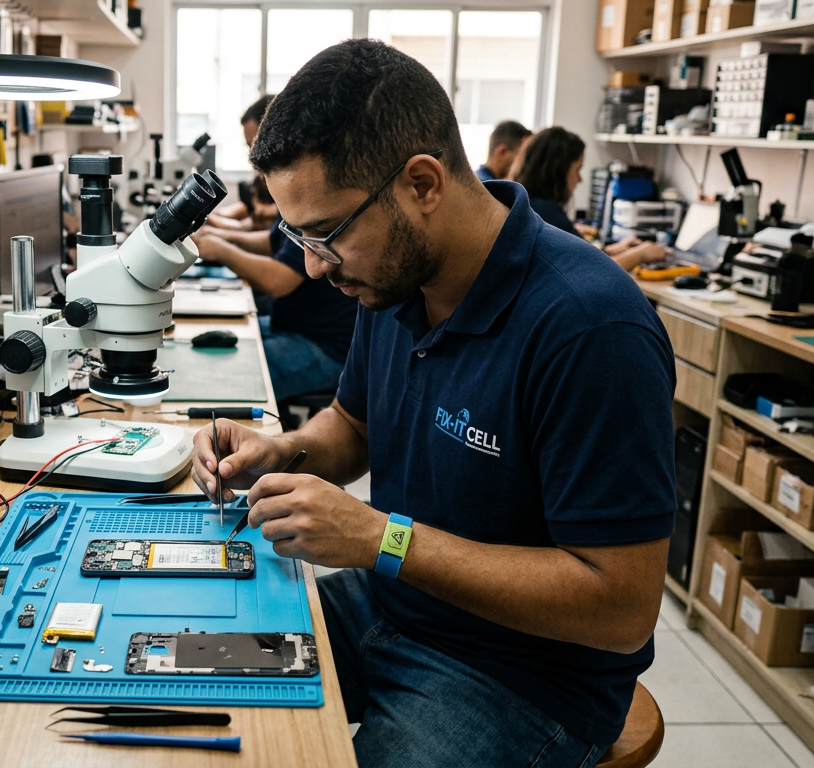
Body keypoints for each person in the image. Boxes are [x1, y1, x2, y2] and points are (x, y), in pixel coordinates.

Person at [193, 39, 674, 768]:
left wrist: (382, 538)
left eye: (328, 235)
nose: (317, 267)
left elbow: (620, 608)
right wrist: (284, 447)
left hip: (521, 676)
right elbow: (351, 426)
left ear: (422, 183)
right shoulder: (389, 279)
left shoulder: (590, 328)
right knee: (176, 671)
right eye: (301, 237)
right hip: (391, 607)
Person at [191, 212, 357, 401]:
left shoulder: (315, 210)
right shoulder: (295, 207)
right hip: (284, 325)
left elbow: (277, 282)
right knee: (204, 351)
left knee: (224, 378)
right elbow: (272, 242)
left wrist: (222, 250)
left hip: (324, 346)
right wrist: (221, 237)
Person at [512, 126, 670, 271]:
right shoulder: (545, 213)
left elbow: (576, 256)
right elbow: (593, 270)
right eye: (577, 170)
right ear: (557, 173)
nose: (579, 180)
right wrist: (640, 254)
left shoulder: (525, 203)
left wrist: (610, 250)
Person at [208, 95, 278, 230]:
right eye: (249, 147)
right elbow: (246, 212)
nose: (253, 156)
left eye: (255, 146)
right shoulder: (262, 180)